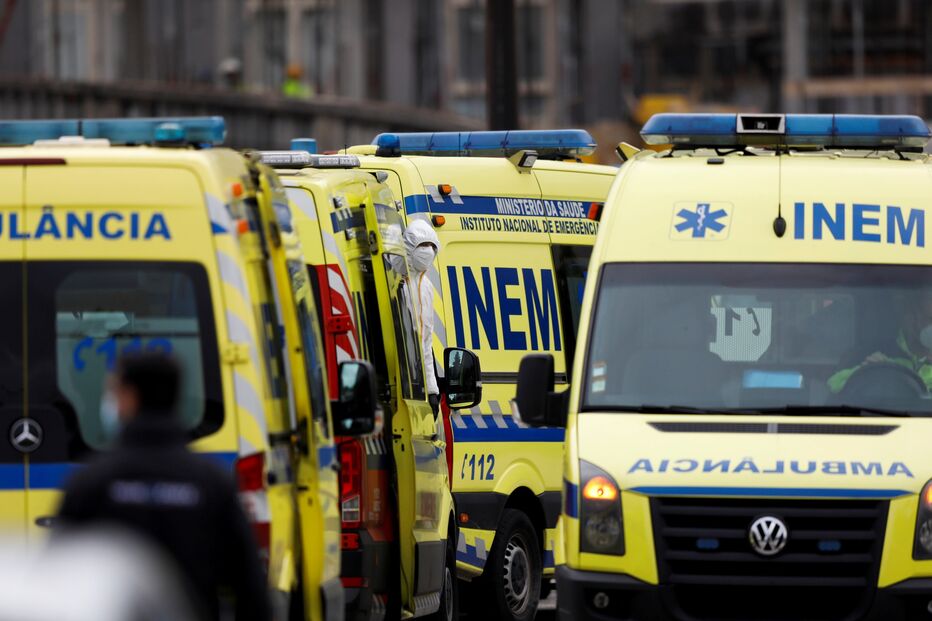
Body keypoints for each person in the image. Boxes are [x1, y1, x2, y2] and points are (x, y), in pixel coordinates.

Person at [56, 353, 270, 621]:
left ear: (129, 397)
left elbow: (57, 580)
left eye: (114, 391)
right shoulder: (212, 482)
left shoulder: (92, 482)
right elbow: (249, 588)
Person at [828, 292, 932, 393]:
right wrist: (868, 370)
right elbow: (834, 385)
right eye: (929, 318)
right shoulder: (874, 350)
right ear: (910, 317)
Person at [403, 219, 441, 415]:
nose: (427, 250)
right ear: (409, 246)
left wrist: (432, 389)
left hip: (415, 384)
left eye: (431, 246)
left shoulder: (425, 286)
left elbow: (425, 343)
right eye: (422, 245)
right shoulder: (395, 278)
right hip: (399, 377)